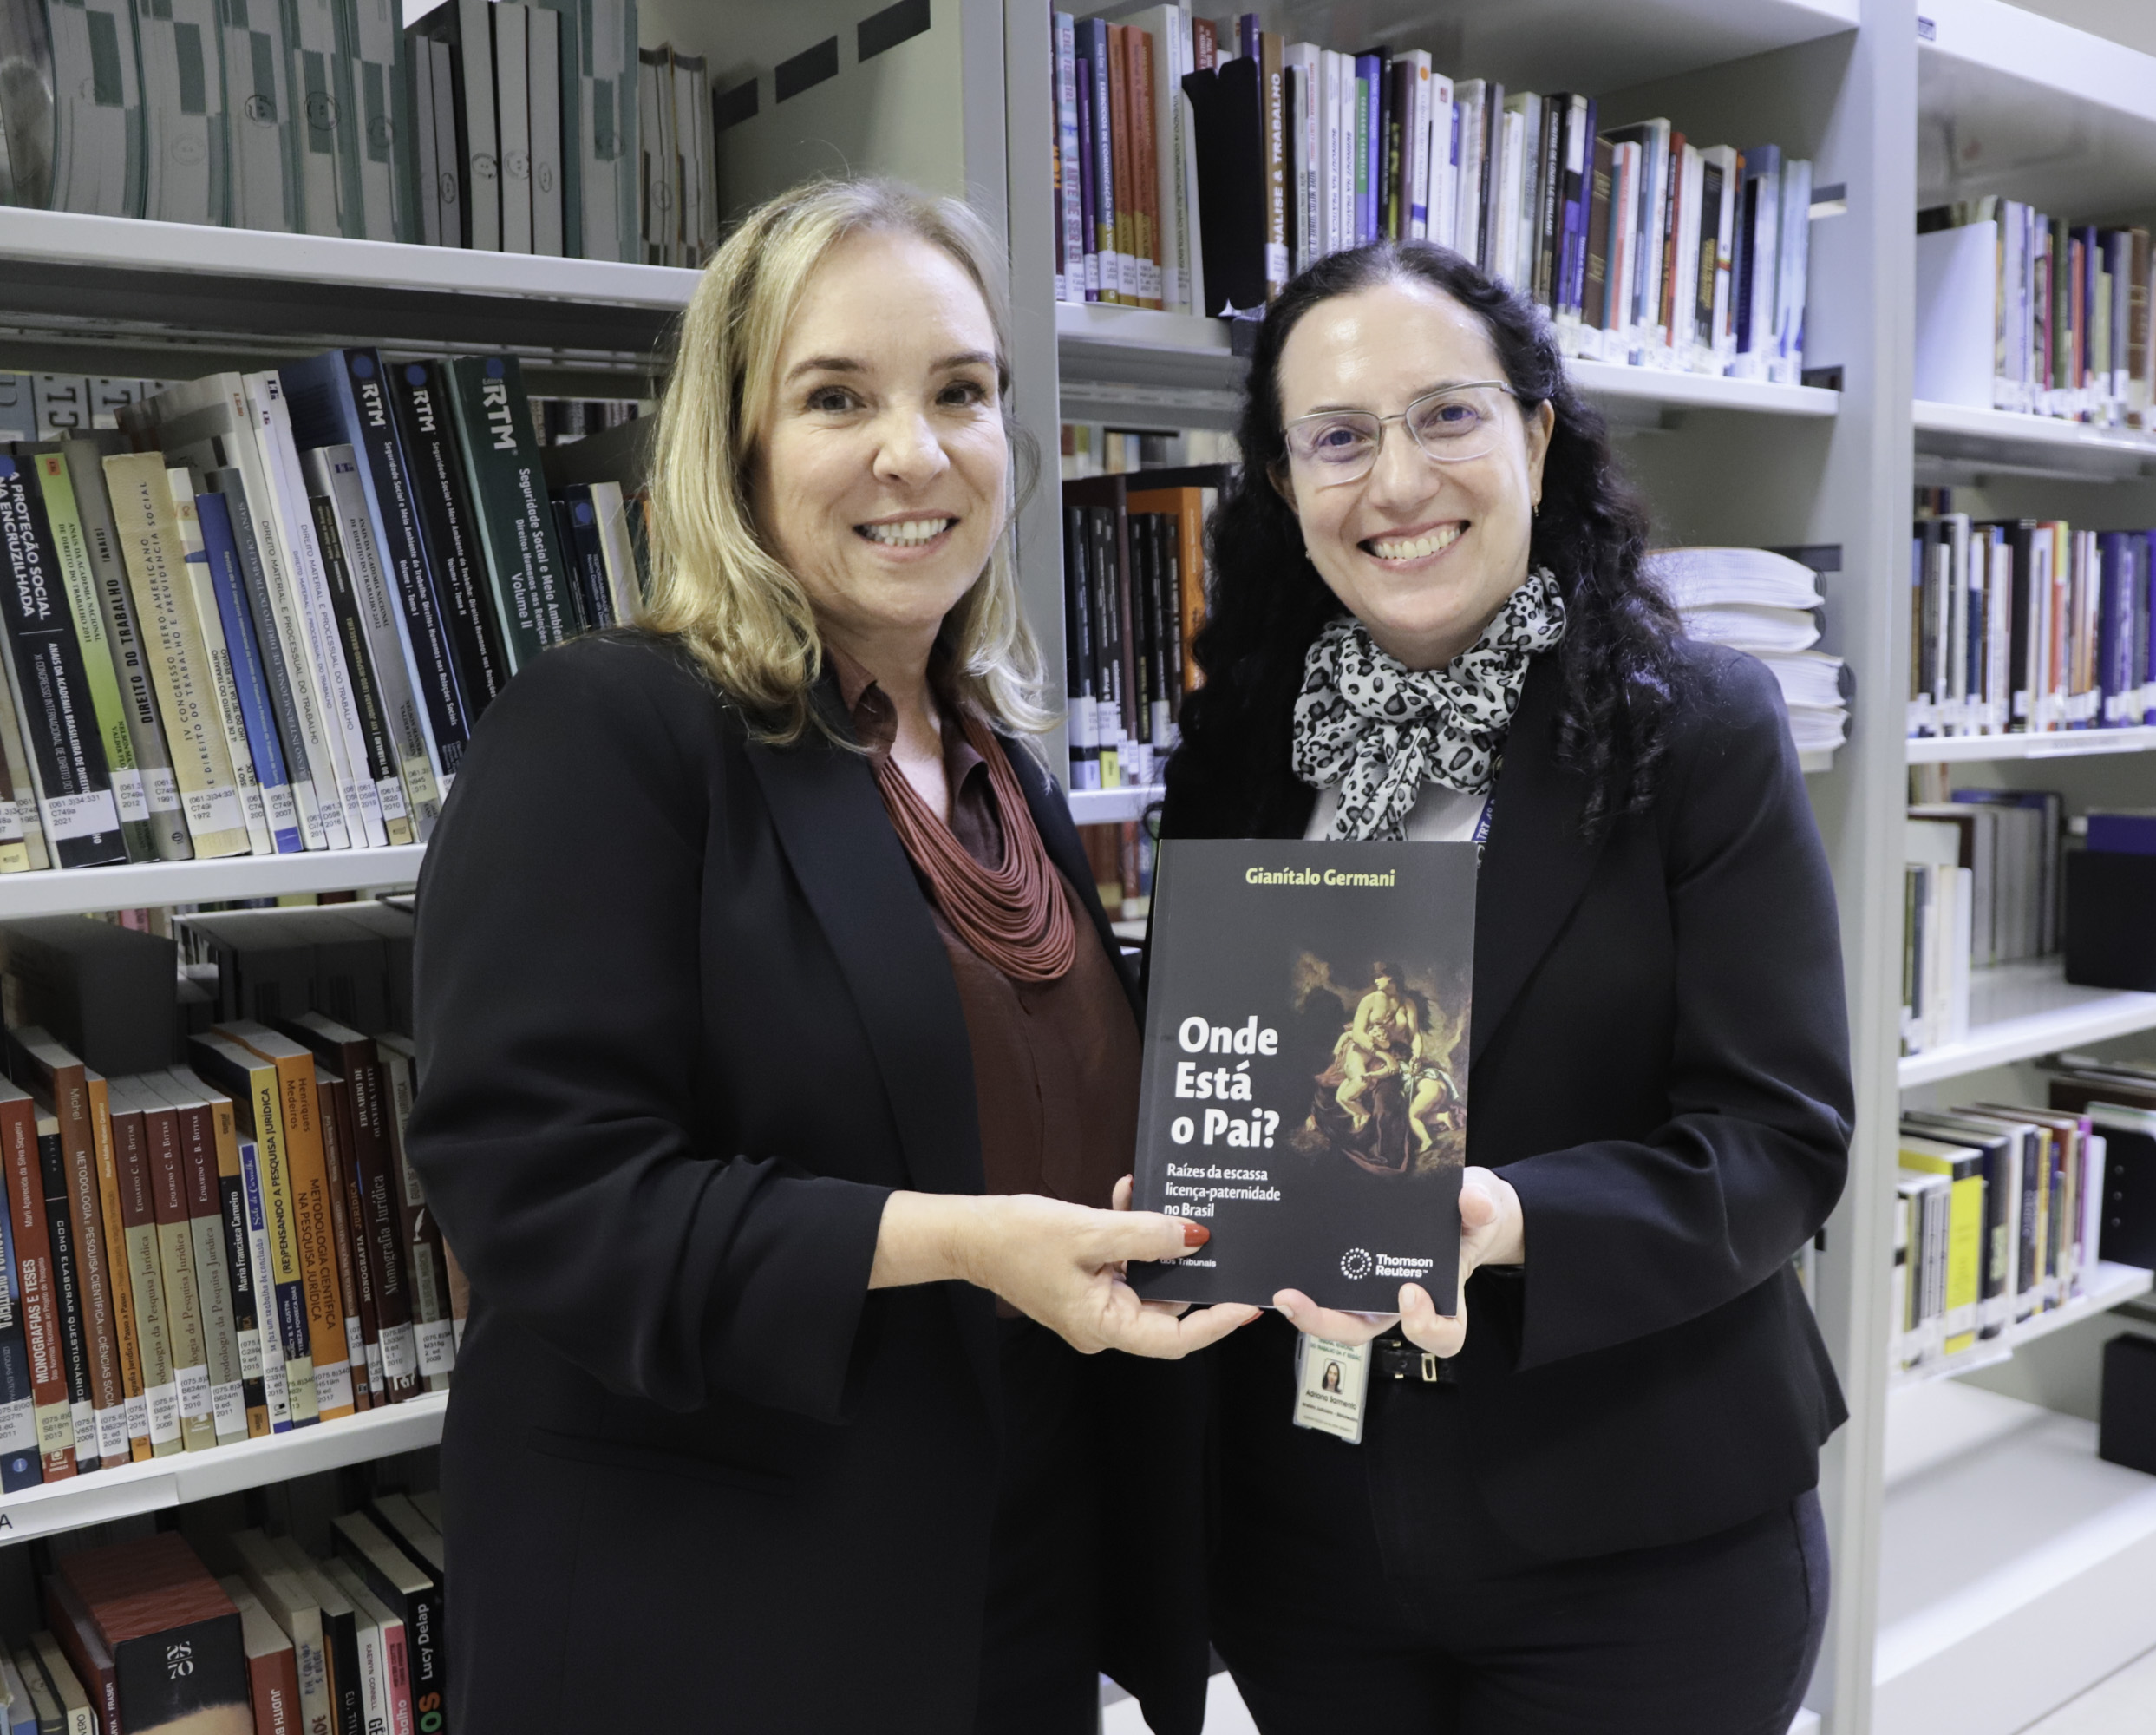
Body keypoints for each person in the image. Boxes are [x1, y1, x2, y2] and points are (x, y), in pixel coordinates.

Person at [405, 177, 1254, 1735]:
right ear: (736, 445)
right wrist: (954, 1241)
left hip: (1015, 1559)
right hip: (731, 1610)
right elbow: (537, 1193)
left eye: (962, 393)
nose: (914, 452)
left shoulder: (1002, 764)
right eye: (836, 397)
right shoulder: (607, 733)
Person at [1159, 239, 1854, 1735]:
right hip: (1306, 1537)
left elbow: (1780, 1141)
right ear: (1287, 487)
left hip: (1635, 1539)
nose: (1397, 482)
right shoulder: (1241, 761)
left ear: (1537, 435)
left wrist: (1512, 1222)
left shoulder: (1700, 733)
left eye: (1447, 416)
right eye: (1338, 438)